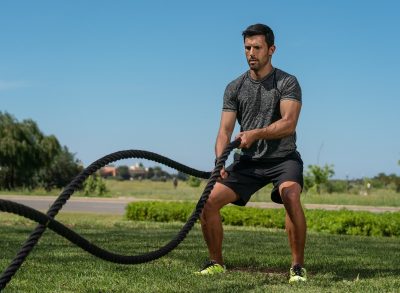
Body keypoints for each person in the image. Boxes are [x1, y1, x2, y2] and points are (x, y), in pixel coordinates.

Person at [196, 24, 307, 283]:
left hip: (283, 159)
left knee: (290, 195)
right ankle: (216, 263)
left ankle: (297, 267)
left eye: (257, 47)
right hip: (247, 162)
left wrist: (255, 133)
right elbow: (224, 131)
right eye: (247, 48)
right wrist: (219, 160)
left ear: (271, 49)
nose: (251, 53)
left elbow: (289, 123)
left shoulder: (287, 82)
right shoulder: (234, 87)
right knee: (208, 202)